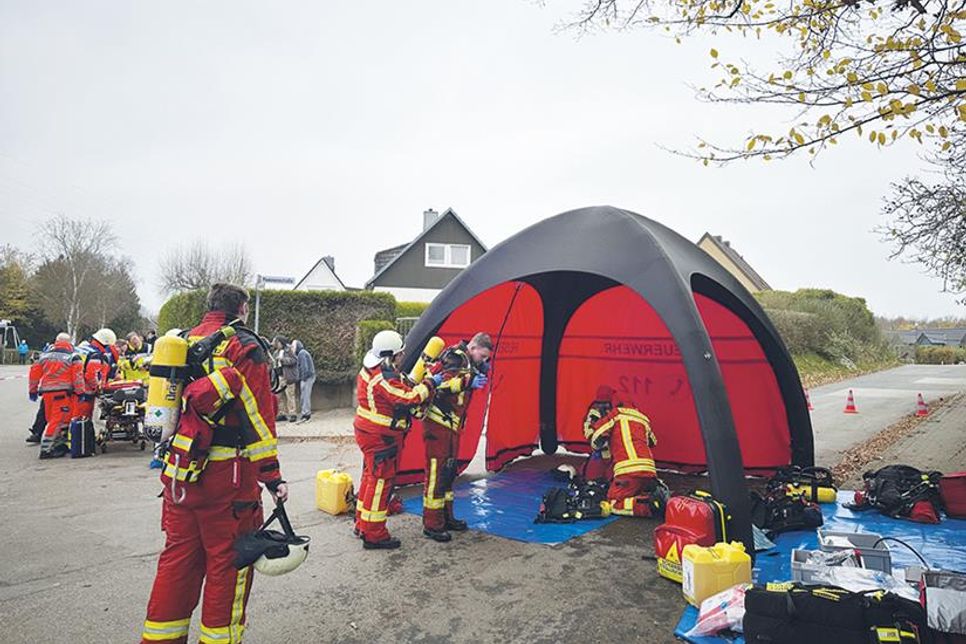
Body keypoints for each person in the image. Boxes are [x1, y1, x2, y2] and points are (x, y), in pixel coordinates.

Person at [140, 283, 288, 644]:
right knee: (227, 566)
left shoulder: (181, 341)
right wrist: (272, 477)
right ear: (242, 308)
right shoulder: (244, 346)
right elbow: (259, 419)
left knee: (177, 563)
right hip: (228, 480)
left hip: (179, 472)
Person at [354, 329, 435, 549]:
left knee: (370, 478)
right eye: (400, 354)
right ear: (390, 355)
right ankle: (374, 534)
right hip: (381, 438)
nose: (402, 356)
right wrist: (430, 383)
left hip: (370, 434)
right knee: (380, 483)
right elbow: (409, 397)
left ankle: (362, 524)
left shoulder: (371, 369)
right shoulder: (382, 378)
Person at [421, 332, 492, 542]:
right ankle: (432, 524)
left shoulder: (467, 362)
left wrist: (473, 373)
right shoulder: (454, 357)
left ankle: (446, 517)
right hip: (438, 424)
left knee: (448, 472)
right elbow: (439, 385)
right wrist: (467, 381)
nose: (483, 361)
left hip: (451, 426)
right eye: (482, 356)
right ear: (473, 347)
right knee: (436, 474)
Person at [587, 397, 664, 517]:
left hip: (628, 469)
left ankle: (647, 506)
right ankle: (653, 497)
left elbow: (598, 435)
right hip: (649, 469)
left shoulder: (616, 414)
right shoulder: (643, 418)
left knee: (613, 503)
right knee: (634, 492)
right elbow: (653, 442)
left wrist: (598, 445)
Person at [28, 333, 84, 458]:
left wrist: (32, 390)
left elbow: (34, 375)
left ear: (56, 341)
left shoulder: (43, 356)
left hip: (47, 393)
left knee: (51, 419)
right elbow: (78, 377)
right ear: (69, 343)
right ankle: (46, 449)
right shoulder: (73, 357)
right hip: (63, 393)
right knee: (58, 421)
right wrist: (80, 392)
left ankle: (59, 445)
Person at [74, 328, 118, 421]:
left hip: (74, 389)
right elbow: (91, 375)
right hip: (86, 392)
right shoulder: (96, 355)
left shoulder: (82, 349)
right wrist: (98, 388)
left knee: (72, 418)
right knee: (82, 420)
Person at [582, 385, 616, 481]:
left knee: (593, 478)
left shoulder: (595, 410)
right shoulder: (605, 411)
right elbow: (590, 432)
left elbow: (588, 430)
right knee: (595, 478)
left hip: (602, 452)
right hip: (602, 452)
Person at [273, 336, 299, 423]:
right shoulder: (276, 352)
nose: (276, 344)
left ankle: (292, 413)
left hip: (288, 376)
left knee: (290, 395)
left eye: (277, 342)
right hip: (279, 376)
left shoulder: (289, 350)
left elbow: (294, 360)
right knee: (278, 395)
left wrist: (283, 360)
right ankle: (281, 413)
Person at [292, 340, 315, 423]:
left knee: (305, 396)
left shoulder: (301, 353)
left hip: (307, 377)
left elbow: (304, 367)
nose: (292, 348)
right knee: (304, 396)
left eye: (293, 346)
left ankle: (306, 414)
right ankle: (305, 413)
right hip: (308, 376)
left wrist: (303, 378)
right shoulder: (303, 353)